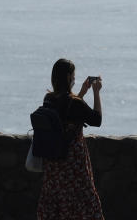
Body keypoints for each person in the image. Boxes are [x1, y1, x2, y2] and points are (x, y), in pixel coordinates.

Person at [36, 58, 104, 220]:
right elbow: (97, 120)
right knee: (81, 204)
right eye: (73, 76)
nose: (74, 79)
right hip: (73, 163)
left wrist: (81, 93)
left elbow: (66, 112)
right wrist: (96, 92)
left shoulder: (49, 99)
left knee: (58, 204)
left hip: (54, 164)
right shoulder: (74, 103)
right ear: (68, 77)